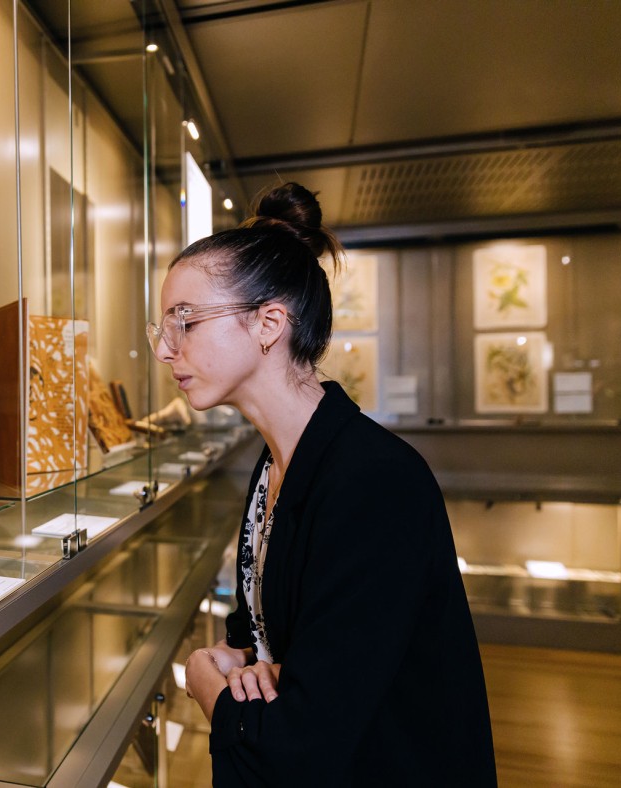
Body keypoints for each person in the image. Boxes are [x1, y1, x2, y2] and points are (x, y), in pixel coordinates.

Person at [149, 183, 496, 786]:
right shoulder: (276, 464)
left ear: (269, 323)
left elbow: (307, 739)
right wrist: (250, 660)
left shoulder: (375, 482)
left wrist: (208, 682)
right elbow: (269, 631)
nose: (163, 347)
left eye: (186, 321)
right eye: (163, 326)